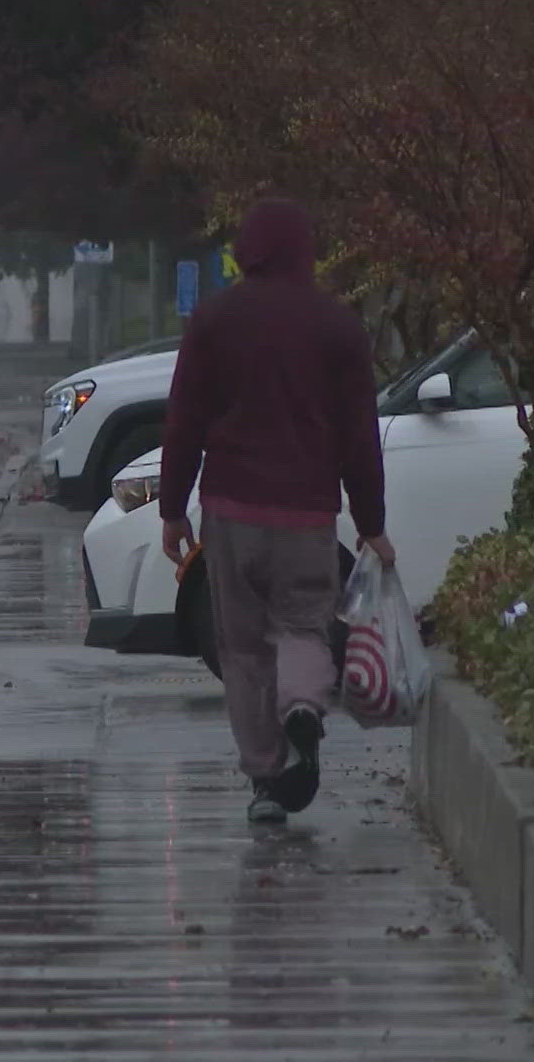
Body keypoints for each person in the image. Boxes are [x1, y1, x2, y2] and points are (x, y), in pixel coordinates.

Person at [157, 197, 396, 824]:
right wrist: (371, 524)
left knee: (242, 648)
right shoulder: (338, 326)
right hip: (306, 513)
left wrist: (172, 508)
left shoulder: (214, 320)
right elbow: (359, 435)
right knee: (302, 626)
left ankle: (267, 777)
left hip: (231, 512)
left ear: (248, 249)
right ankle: (303, 707)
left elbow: (183, 421)